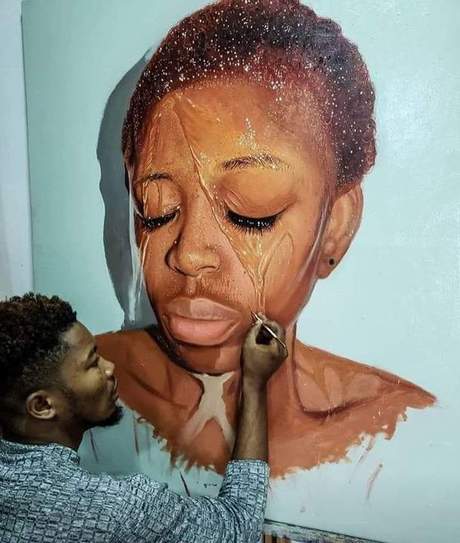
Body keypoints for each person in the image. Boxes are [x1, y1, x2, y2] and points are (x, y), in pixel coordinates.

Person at [98, 0, 435, 478]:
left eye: (250, 212)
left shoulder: (401, 439)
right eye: (158, 210)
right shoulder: (64, 400)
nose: (189, 254)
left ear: (335, 226)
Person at [0, 293, 287, 542]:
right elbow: (239, 527)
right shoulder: (115, 508)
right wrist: (254, 383)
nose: (110, 367)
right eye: (92, 363)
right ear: (42, 405)